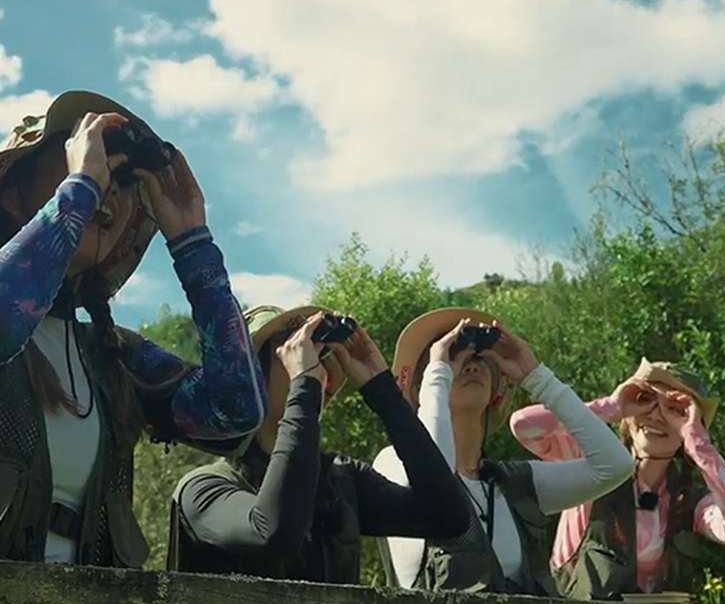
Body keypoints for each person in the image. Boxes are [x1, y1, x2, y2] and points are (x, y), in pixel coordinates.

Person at [0, 91, 266, 566]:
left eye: (122, 179)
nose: (110, 188)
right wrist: (81, 185)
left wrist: (191, 241)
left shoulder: (111, 355)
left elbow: (234, 411)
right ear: (12, 194)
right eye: (87, 160)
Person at [169, 306, 472, 581]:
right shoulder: (203, 490)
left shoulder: (338, 483)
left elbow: (447, 517)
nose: (317, 369)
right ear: (252, 377)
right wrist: (303, 387)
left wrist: (382, 390)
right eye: (291, 352)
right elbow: (274, 531)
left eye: (321, 359)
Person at [375, 307, 634, 596]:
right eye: (452, 357)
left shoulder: (512, 485)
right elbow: (435, 476)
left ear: (497, 389)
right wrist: (439, 371)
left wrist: (537, 377)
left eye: (481, 359)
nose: (469, 365)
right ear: (420, 388)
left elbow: (614, 465)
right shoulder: (391, 464)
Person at [509, 359, 725, 600]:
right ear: (627, 418)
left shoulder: (688, 500)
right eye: (645, 399)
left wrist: (698, 443)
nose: (656, 415)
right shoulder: (590, 465)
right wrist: (610, 407)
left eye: (676, 409)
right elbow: (524, 426)